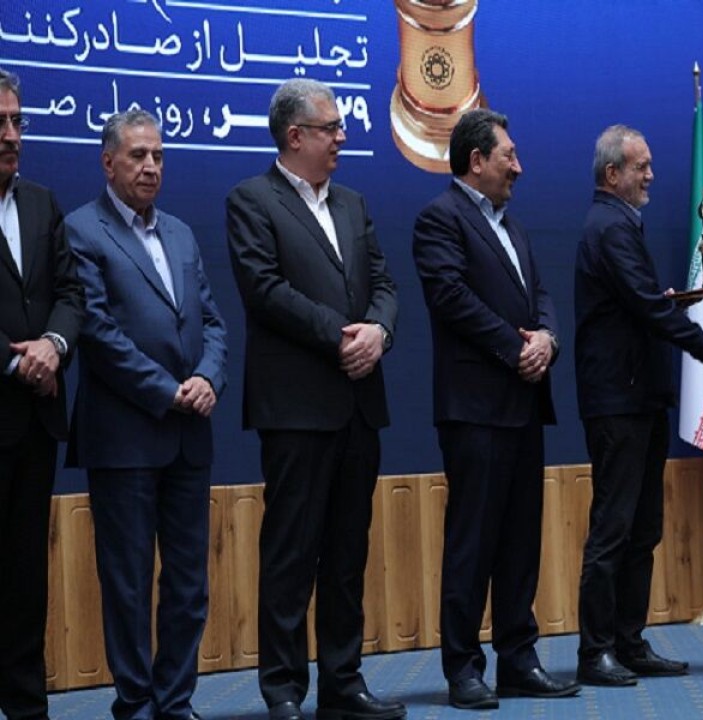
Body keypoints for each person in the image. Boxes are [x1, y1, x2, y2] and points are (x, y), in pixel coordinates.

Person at [225, 79, 403, 720]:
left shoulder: (353, 202)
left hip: (358, 403)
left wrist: (378, 331)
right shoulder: (251, 200)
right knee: (291, 554)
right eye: (331, 127)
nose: (342, 137)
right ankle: (283, 690)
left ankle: (342, 684)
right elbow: (264, 290)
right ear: (295, 135)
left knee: (348, 553)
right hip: (296, 408)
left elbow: (384, 283)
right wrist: (343, 335)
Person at [412, 108, 580, 710]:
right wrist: (517, 348)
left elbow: (542, 297)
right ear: (476, 160)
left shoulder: (514, 227)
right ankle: (462, 668)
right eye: (509, 155)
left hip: (524, 403)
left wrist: (548, 341)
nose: (519, 166)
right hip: (476, 407)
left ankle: (518, 659)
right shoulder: (439, 218)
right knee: (472, 543)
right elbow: (451, 298)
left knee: (519, 542)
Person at [65, 109, 228, 720]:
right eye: (137, 155)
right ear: (108, 163)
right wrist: (168, 390)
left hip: (188, 435)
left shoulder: (180, 233)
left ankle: (175, 701)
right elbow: (97, 333)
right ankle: (135, 704)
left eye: (158, 155)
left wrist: (208, 378)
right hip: (125, 437)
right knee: (128, 584)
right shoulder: (82, 230)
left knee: (188, 583)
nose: (151, 166)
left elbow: (212, 321)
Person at [573, 125, 703, 687]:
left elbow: (638, 304)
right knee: (613, 529)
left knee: (642, 528)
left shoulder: (619, 224)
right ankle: (596, 652)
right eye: (640, 167)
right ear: (612, 173)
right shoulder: (609, 226)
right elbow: (647, 308)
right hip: (618, 402)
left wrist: (657, 303)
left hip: (638, 398)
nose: (651, 175)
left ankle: (628, 642)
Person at [0, 67, 84, 720]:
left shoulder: (41, 202)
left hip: (34, 421)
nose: (10, 135)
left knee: (27, 573)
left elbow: (70, 292)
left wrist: (53, 346)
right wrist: (16, 362)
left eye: (16, 121)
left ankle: (27, 707)